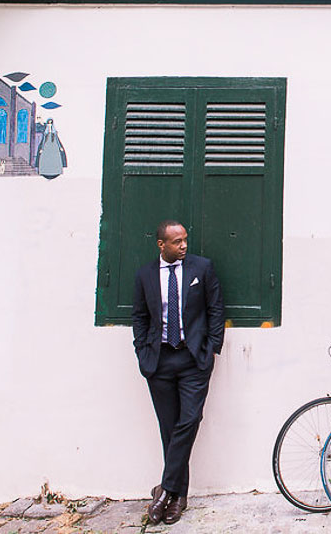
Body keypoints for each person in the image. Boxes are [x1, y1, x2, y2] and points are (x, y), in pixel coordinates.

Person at [132, 220, 225, 525]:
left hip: (192, 359)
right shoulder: (145, 275)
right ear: (162, 245)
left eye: (185, 240)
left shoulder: (202, 268)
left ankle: (164, 490)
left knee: (190, 420)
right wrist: (142, 351)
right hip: (158, 362)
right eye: (177, 242)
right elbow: (140, 316)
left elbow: (215, 309)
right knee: (169, 429)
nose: (184, 246)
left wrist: (212, 348)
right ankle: (179, 495)